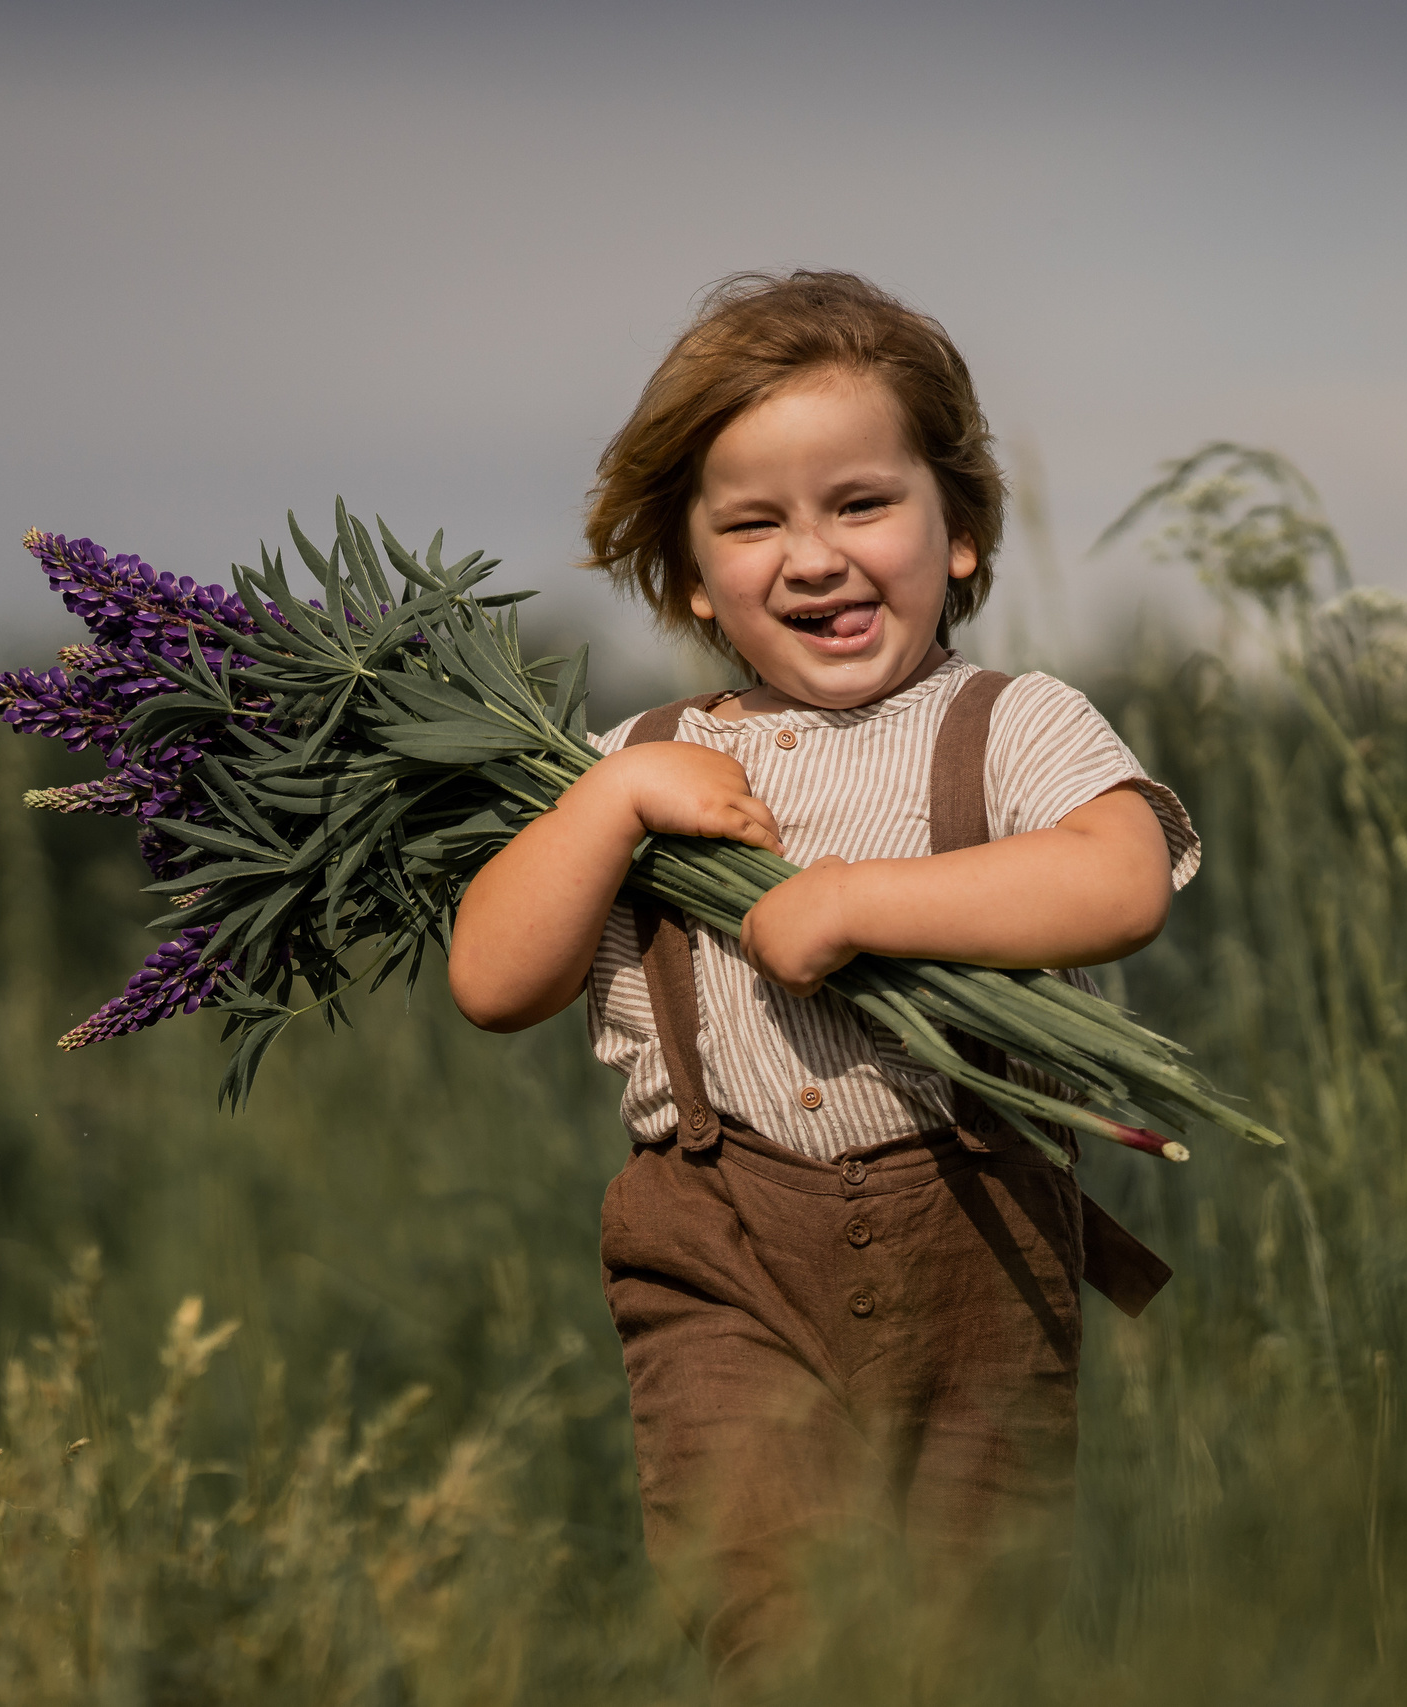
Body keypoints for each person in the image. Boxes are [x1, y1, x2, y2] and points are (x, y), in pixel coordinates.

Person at [447, 271, 1199, 1690]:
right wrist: (602, 813)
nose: (813, 556)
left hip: (977, 1237)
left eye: (862, 504)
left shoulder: (1008, 724)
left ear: (960, 532)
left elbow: (1121, 879)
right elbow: (491, 980)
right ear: (686, 573)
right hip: (721, 1251)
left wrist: (857, 901)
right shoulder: (639, 762)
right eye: (754, 523)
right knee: (772, 1616)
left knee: (973, 1635)